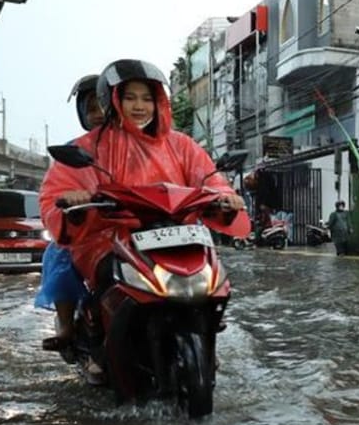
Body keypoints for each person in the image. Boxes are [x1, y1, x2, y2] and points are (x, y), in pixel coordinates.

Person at [40, 59, 247, 290]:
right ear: (115, 100)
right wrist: (74, 201)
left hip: (180, 238)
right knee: (72, 269)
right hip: (111, 242)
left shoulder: (181, 145)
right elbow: (57, 192)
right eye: (130, 98)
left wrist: (226, 197)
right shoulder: (90, 147)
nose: (139, 106)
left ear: (158, 101)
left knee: (215, 284)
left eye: (147, 99)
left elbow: (210, 179)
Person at [36, 75, 105, 350]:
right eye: (91, 108)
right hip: (91, 229)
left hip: (139, 226)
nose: (98, 114)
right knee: (59, 253)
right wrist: (72, 200)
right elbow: (53, 194)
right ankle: (66, 325)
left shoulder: (149, 145)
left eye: (104, 106)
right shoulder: (73, 151)